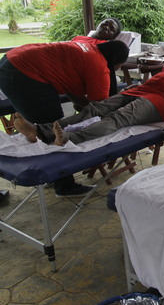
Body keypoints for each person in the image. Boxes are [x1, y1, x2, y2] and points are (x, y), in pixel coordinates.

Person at [14, 35, 164, 147]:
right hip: (140, 90)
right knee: (95, 108)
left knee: (117, 118)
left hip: (161, 101)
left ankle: (68, 139)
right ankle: (43, 130)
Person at [0, 39, 129, 196]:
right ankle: (64, 185)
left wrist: (82, 108)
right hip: (24, 72)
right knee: (57, 130)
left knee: (50, 124)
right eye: (120, 66)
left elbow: (70, 87)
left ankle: (49, 164)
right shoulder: (100, 67)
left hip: (11, 60)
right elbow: (100, 108)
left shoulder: (88, 49)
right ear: (115, 62)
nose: (118, 69)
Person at [72, 17, 124, 96]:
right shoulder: (78, 38)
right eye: (105, 23)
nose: (106, 27)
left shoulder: (104, 47)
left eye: (111, 29)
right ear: (99, 24)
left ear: (113, 37)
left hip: (81, 76)